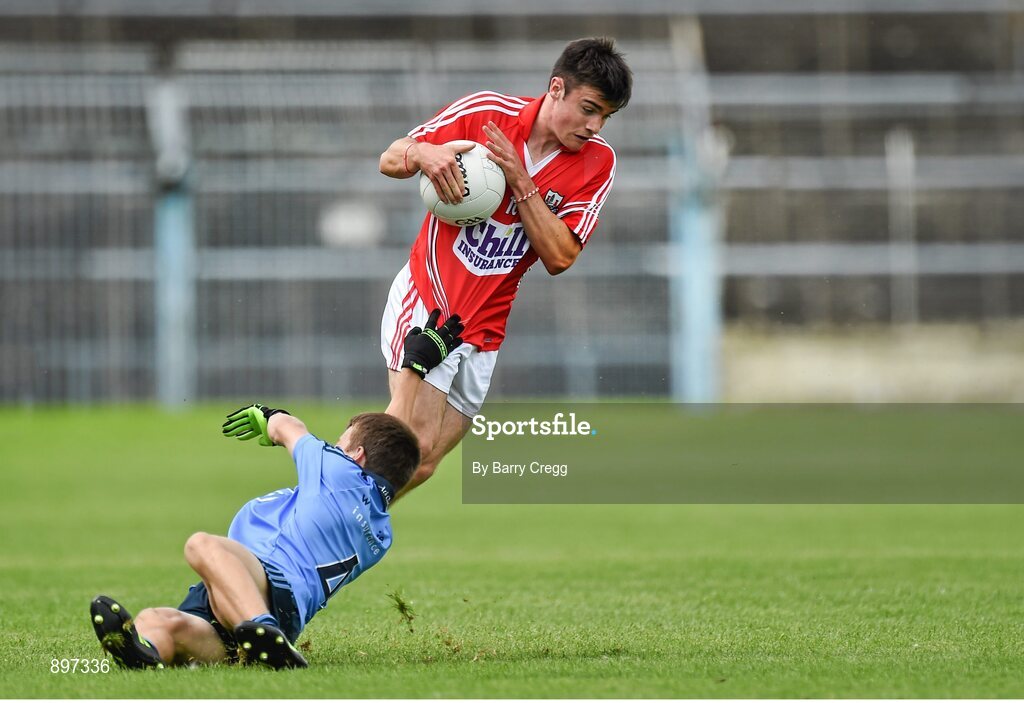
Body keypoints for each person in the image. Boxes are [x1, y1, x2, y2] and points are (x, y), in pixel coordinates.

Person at [89, 311, 463, 670]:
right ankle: (150, 654)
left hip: (266, 584)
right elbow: (388, 444)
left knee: (203, 545)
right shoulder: (379, 527)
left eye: (340, 442)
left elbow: (290, 427)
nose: (332, 447)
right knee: (161, 620)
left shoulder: (338, 471)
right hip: (252, 604)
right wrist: (414, 369)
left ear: (356, 457)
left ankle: (262, 629)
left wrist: (270, 416)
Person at [378, 37, 632, 497]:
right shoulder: (486, 112)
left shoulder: (598, 162)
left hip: (486, 326)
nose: (595, 126)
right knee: (405, 445)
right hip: (432, 301)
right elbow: (391, 158)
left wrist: (519, 180)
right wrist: (423, 154)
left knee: (422, 464)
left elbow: (560, 256)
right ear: (557, 88)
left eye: (606, 117)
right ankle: (294, 543)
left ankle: (316, 539)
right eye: (589, 108)